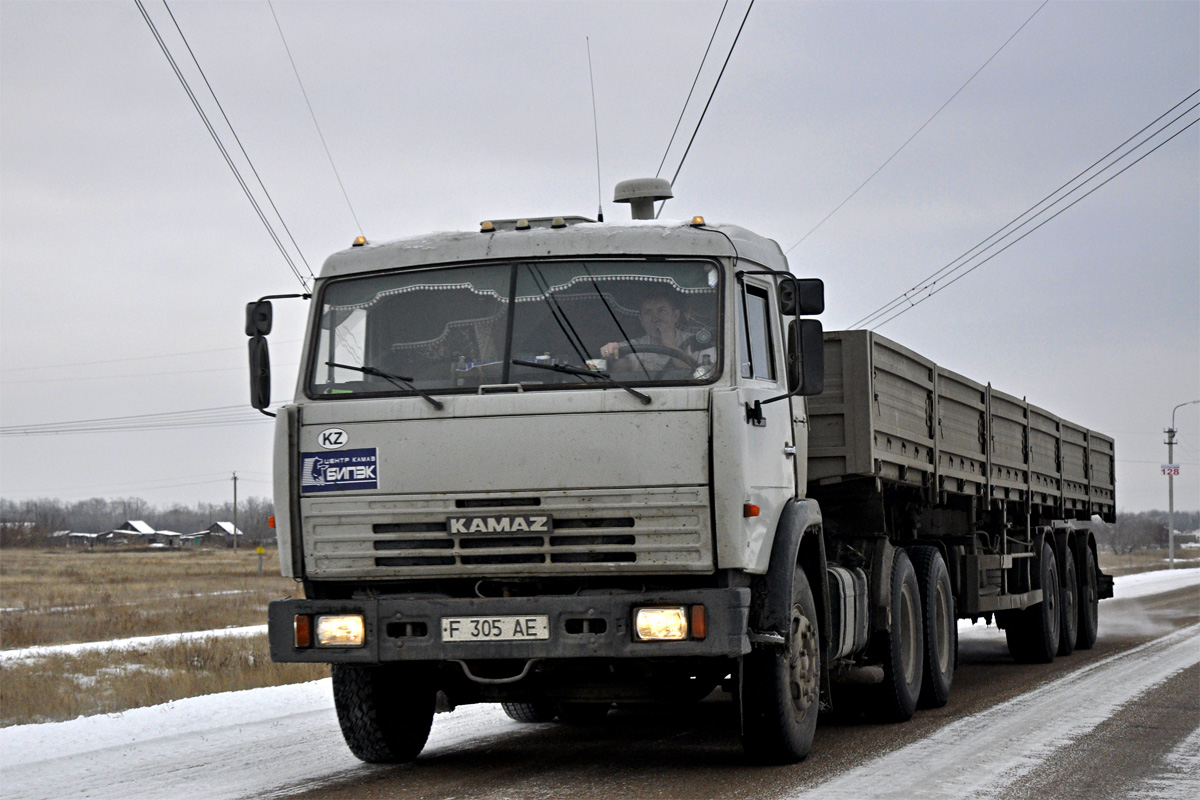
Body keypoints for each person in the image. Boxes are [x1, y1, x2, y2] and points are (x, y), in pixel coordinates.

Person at [599, 289, 715, 377]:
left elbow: (706, 375)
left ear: (675, 316)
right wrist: (611, 352)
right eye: (648, 313)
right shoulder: (634, 346)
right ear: (641, 320)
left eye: (661, 311)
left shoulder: (697, 343)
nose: (655, 318)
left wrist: (670, 345)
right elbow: (618, 367)